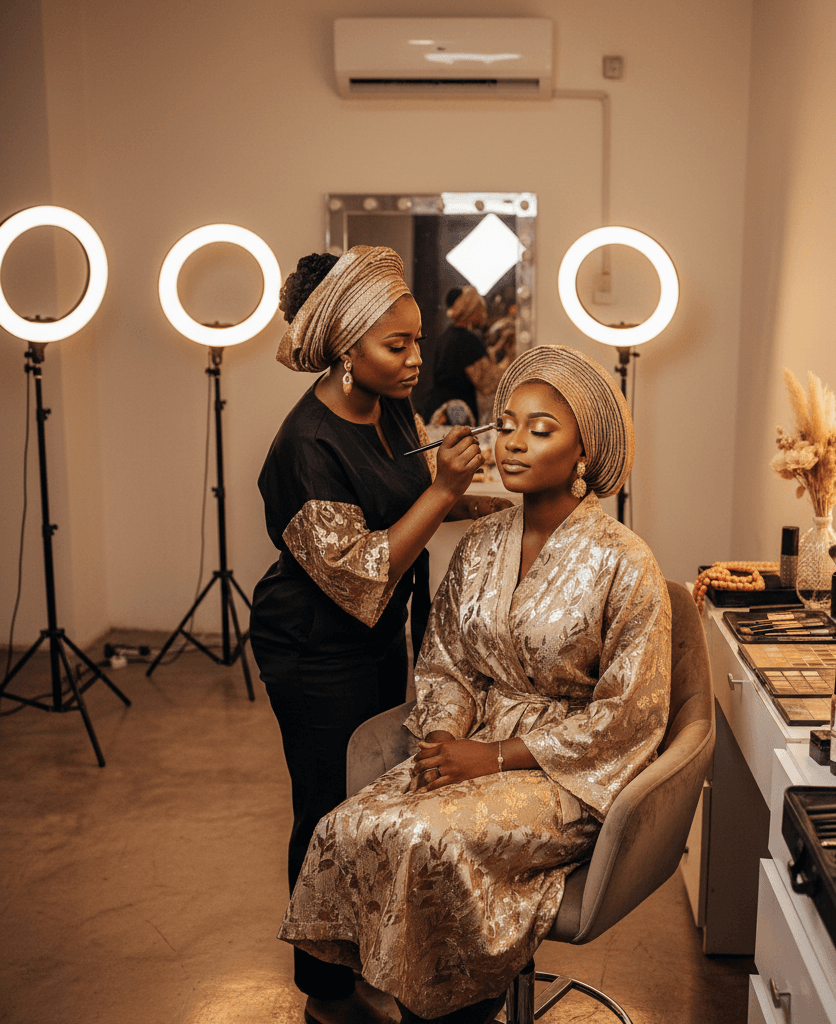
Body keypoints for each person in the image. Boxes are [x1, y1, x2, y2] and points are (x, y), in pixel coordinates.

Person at [278, 345, 672, 1024]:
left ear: (584, 451)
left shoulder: (625, 562)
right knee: (350, 823)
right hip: (469, 742)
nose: (513, 443)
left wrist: (492, 758)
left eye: (540, 431)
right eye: (507, 425)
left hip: (564, 771)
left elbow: (628, 716)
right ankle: (400, 1001)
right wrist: (442, 740)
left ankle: (453, 1011)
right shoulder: (481, 543)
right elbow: (447, 663)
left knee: (429, 840)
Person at [249, 246, 510, 1024]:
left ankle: (362, 959)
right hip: (312, 648)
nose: (415, 359)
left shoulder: (389, 403)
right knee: (326, 811)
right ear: (344, 347)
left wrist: (486, 500)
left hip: (374, 636)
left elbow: (403, 501)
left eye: (418, 340)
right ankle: (326, 995)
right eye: (398, 345)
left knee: (371, 802)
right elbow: (362, 574)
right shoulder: (306, 447)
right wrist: (446, 490)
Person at [421, 285, 514, 424]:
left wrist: (500, 346)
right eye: (481, 309)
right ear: (472, 311)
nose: (484, 314)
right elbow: (489, 383)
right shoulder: (467, 340)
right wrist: (511, 356)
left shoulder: (447, 335)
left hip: (439, 409)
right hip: (456, 415)